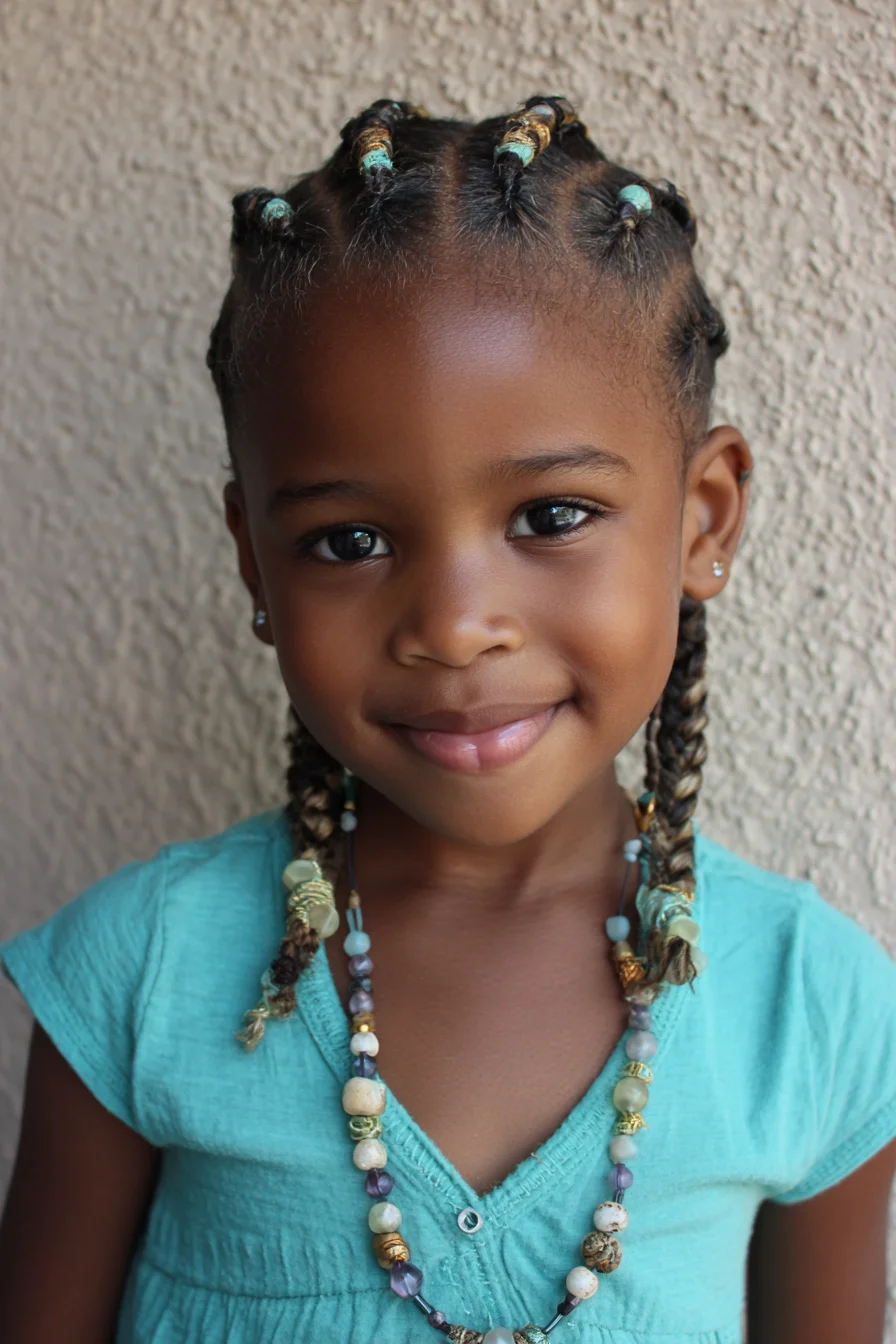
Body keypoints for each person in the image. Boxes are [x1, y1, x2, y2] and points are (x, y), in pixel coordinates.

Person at [0, 95, 894, 1344]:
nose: (456, 625)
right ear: (256, 563)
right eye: (347, 540)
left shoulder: (814, 1009)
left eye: (550, 517)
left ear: (702, 519)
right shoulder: (140, 976)